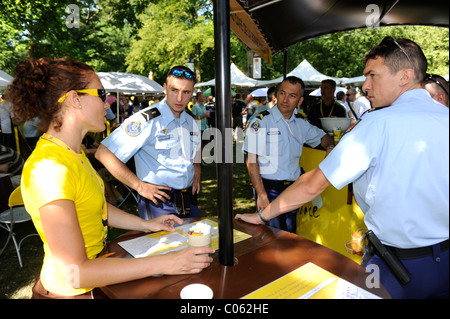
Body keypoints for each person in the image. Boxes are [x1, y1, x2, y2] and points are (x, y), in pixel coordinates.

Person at [236, 37, 449, 299]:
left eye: (373, 75)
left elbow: (312, 184)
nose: (366, 86)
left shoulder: (378, 123)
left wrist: (263, 215)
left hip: (397, 268)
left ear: (404, 76)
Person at [6, 58, 213, 299]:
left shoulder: (72, 155)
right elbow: (77, 273)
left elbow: (94, 207)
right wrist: (166, 263)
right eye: (100, 93)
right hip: (70, 292)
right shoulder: (51, 168)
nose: (106, 105)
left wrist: (146, 224)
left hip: (96, 278)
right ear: (75, 99)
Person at [95, 65, 202, 221]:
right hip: (159, 202)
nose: (179, 98)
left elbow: (196, 148)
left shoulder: (189, 120)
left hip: (188, 199)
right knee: (168, 246)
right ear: (165, 88)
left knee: (199, 242)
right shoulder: (147, 120)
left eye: (185, 92)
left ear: (192, 93)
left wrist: (197, 167)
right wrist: (139, 186)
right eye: (174, 90)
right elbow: (104, 153)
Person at [243, 76, 334, 233]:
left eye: (292, 96)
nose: (285, 99)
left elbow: (324, 138)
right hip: (269, 189)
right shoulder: (262, 121)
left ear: (299, 100)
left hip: (293, 191)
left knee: (290, 238)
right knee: (272, 240)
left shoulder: (301, 124)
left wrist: (331, 146)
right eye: (282, 93)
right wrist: (261, 193)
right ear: (276, 95)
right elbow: (251, 160)